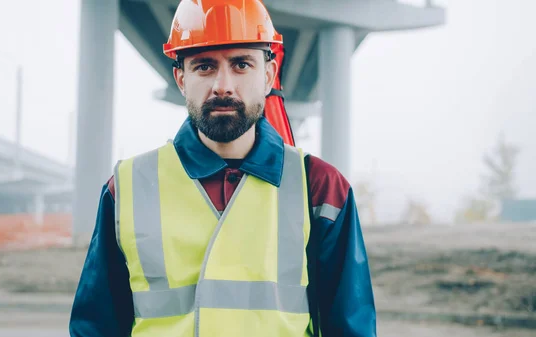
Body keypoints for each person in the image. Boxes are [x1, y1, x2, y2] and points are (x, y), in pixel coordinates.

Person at [69, 1, 377, 336]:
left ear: (269, 76)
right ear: (181, 79)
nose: (223, 85)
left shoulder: (320, 188)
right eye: (204, 67)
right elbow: (95, 328)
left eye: (241, 64)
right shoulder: (127, 188)